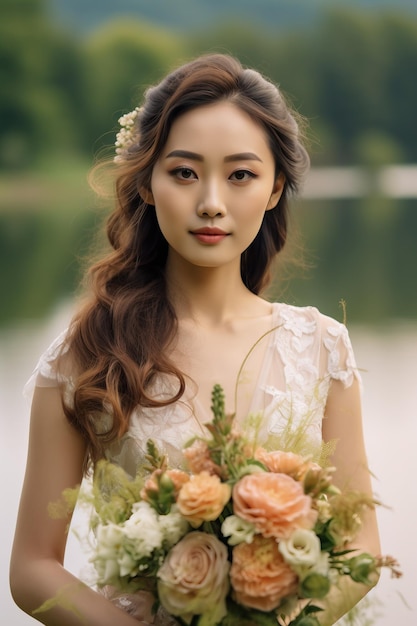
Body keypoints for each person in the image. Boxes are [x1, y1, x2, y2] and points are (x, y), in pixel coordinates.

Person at [10, 53, 380, 625]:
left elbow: (363, 549)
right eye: (184, 172)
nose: (211, 201)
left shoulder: (321, 347)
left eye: (240, 175)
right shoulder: (87, 352)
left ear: (276, 187)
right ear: (150, 184)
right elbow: (33, 568)